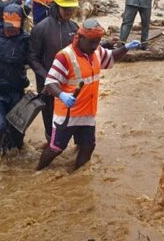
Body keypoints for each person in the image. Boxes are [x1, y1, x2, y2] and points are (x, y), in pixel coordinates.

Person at [36, 19, 141, 171]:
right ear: (80, 38)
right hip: (67, 115)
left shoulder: (96, 51)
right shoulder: (64, 56)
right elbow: (50, 83)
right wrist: (62, 95)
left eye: (98, 42)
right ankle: (38, 171)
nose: (95, 46)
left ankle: (77, 177)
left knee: (88, 146)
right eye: (92, 42)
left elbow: (110, 57)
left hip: (88, 113)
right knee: (56, 148)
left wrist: (125, 48)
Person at [28, 0, 80, 143]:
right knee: (50, 119)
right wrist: (47, 79)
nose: (69, 13)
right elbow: (33, 58)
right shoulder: (41, 28)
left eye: (71, 9)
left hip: (69, 83)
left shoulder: (73, 28)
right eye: (66, 9)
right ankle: (51, 146)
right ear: (55, 7)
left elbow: (81, 52)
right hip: (48, 86)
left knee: (72, 118)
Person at [0, 4, 32, 154]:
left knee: (18, 134)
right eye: (8, 25)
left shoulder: (26, 39)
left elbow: (37, 58)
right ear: (2, 20)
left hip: (16, 91)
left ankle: (14, 162)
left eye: (14, 26)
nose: (11, 29)